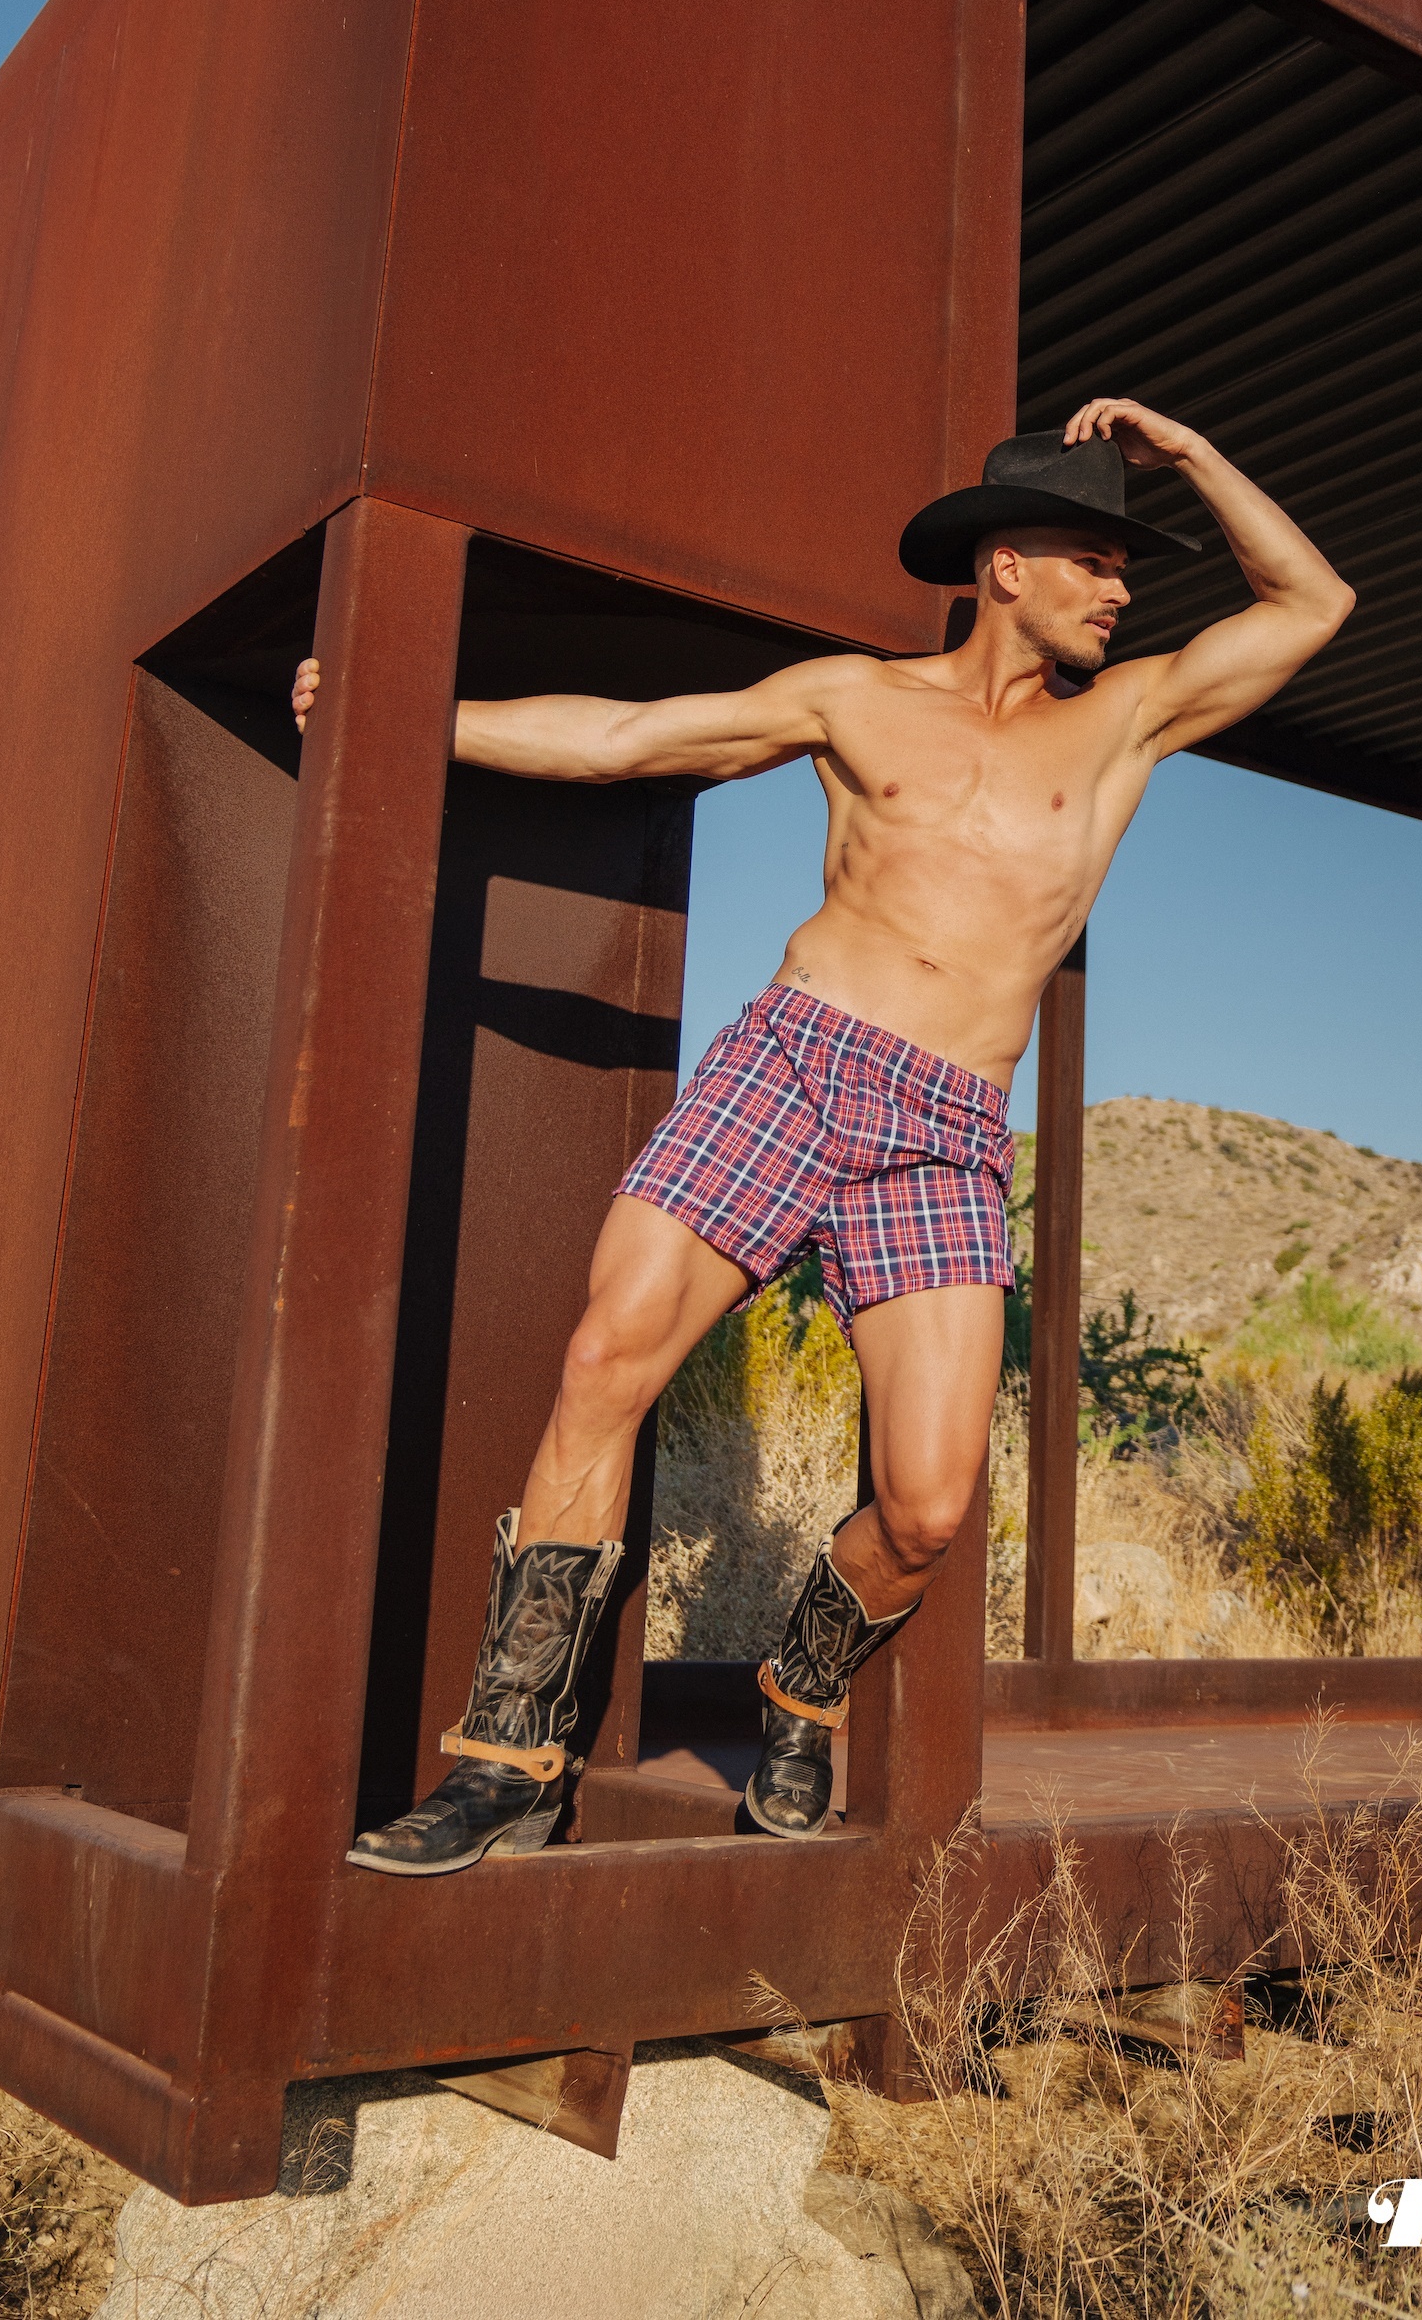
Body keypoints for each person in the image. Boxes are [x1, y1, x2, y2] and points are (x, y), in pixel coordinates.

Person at [297, 399, 1353, 1874]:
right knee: (606, 1359)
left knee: (925, 1504)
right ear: (1004, 567)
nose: (1121, 591)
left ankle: (798, 1688)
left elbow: (1313, 603)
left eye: (1127, 566)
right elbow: (631, 739)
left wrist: (1186, 452)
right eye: (1097, 560)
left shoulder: (1126, 722)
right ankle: (504, 1759)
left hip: (946, 1128)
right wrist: (407, 713)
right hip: (794, 1062)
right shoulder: (855, 701)